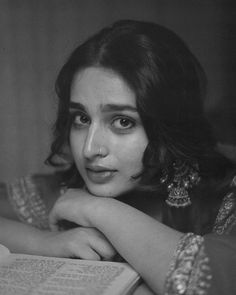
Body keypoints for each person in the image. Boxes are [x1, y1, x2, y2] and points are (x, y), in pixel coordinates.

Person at [1, 20, 236, 294]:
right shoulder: (68, 191)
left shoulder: (225, 196)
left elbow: (216, 281)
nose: (90, 149)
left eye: (122, 121)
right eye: (82, 118)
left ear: (170, 124)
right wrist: (41, 243)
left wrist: (99, 210)